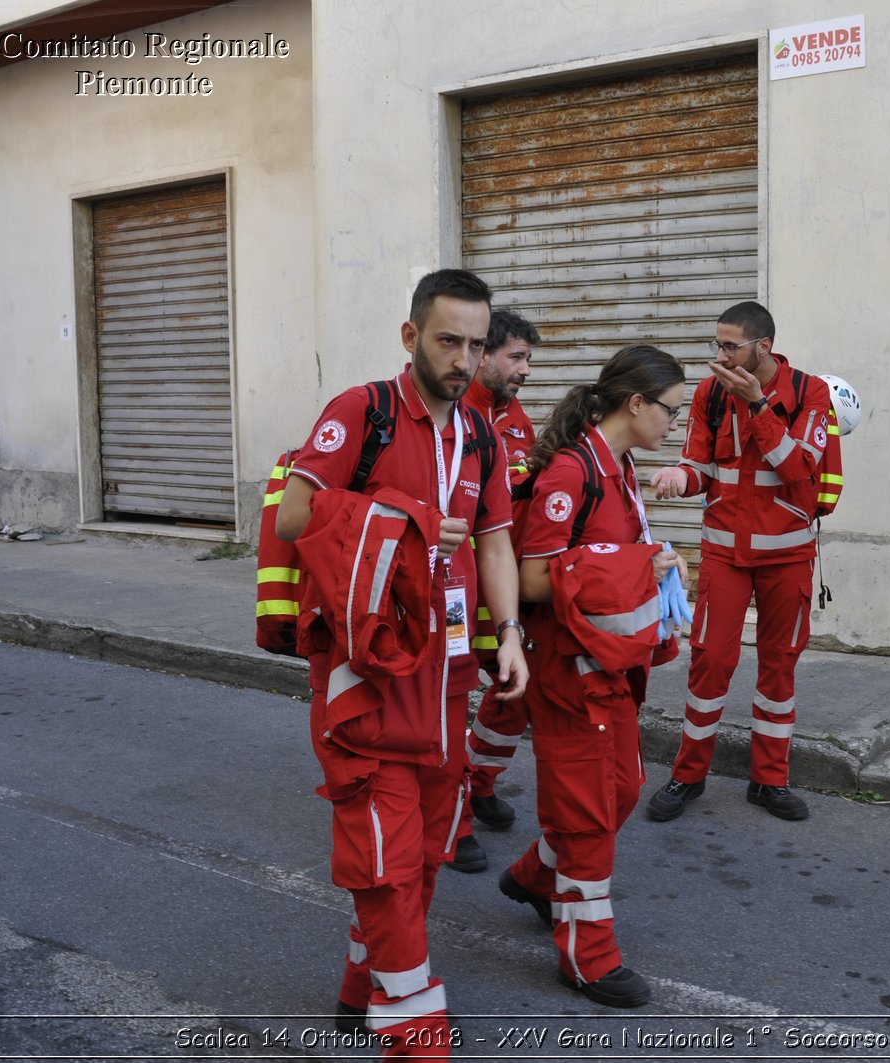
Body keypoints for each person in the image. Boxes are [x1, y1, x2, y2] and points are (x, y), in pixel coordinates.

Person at [276, 268, 529, 1055]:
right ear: (411, 336)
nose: (464, 358)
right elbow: (292, 513)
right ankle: (415, 1027)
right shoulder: (364, 411)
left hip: (448, 673)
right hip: (367, 671)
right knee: (384, 854)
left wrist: (510, 631)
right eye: (449, 340)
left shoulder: (481, 432)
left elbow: (495, 539)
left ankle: (365, 982)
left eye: (476, 344)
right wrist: (414, 521)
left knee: (423, 851)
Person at [497, 344, 686, 1008]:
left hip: (606, 666)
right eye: (670, 410)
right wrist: (637, 567)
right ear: (635, 404)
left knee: (622, 788)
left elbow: (598, 557)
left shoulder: (620, 465)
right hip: (567, 670)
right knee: (586, 813)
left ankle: (532, 877)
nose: (675, 424)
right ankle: (587, 957)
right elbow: (530, 577)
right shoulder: (571, 474)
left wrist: (647, 561)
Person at [646, 300, 833, 823]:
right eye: (717, 345)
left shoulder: (809, 393)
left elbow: (799, 470)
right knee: (710, 661)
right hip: (725, 552)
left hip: (788, 557)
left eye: (730, 346)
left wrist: (757, 407)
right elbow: (699, 465)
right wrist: (680, 479)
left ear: (762, 348)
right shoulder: (709, 393)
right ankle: (688, 775)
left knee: (779, 667)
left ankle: (769, 781)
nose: (719, 356)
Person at [448, 309, 539, 874]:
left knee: (515, 692)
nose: (525, 370)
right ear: (482, 356)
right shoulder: (455, 415)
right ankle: (451, 822)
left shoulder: (515, 416)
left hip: (506, 588)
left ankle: (477, 783)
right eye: (516, 357)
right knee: (448, 703)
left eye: (529, 359)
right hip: (459, 588)